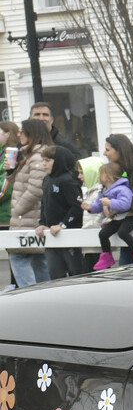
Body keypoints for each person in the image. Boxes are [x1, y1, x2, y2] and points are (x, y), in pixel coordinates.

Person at [7, 120, 53, 286]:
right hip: (29, 217)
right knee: (39, 261)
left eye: (23, 132)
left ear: (32, 134)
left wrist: (17, 210)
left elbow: (35, 189)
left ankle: (29, 293)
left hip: (28, 218)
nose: (19, 135)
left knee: (18, 257)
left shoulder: (36, 157)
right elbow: (21, 185)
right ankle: (45, 294)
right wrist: (11, 172)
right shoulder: (30, 156)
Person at [38, 145, 84, 278]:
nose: (44, 164)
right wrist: (42, 223)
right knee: (54, 273)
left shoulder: (68, 181)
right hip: (51, 236)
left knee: (75, 272)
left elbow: (77, 206)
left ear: (58, 161)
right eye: (43, 160)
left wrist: (63, 224)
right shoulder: (47, 180)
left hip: (68, 234)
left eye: (48, 160)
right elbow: (44, 204)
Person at [90, 159, 133, 270]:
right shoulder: (103, 190)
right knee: (103, 234)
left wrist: (110, 203)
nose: (98, 176)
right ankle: (106, 256)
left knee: (122, 233)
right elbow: (99, 204)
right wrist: (90, 208)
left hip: (126, 218)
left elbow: (126, 204)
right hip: (115, 219)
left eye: (101, 174)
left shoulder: (122, 189)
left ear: (109, 177)